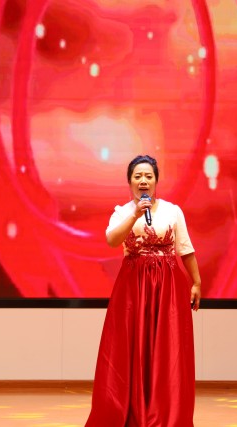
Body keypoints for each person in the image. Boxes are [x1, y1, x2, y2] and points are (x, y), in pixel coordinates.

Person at [85, 155, 202, 427]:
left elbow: (185, 249)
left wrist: (196, 282)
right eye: (137, 176)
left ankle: (165, 413)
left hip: (168, 287)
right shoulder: (122, 212)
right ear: (129, 182)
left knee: (168, 348)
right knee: (131, 346)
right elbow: (112, 240)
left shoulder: (173, 211)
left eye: (148, 176)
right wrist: (135, 214)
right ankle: (131, 410)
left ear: (156, 181)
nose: (143, 181)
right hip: (133, 287)